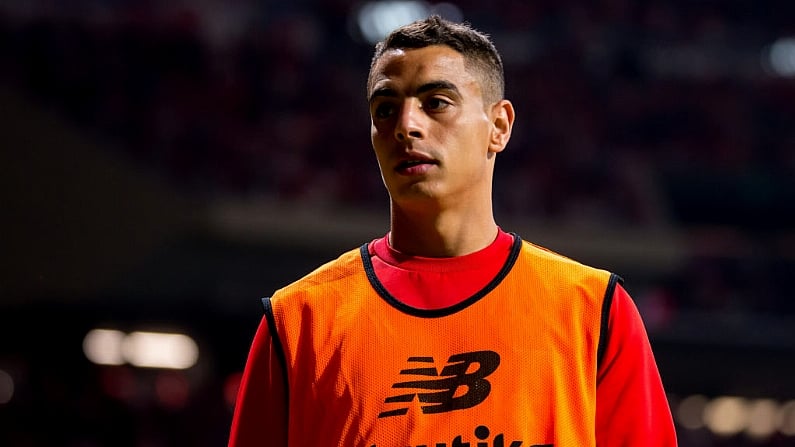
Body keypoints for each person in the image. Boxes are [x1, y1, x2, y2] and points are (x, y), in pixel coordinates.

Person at [228, 15, 677, 447]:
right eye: (385, 109)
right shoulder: (297, 321)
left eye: (435, 102)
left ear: (498, 126)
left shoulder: (594, 311)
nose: (407, 126)